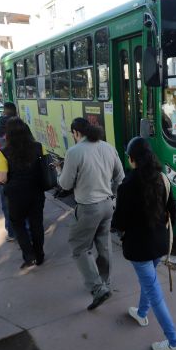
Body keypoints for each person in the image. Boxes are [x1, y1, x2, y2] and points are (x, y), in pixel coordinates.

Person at [111, 137, 176, 350]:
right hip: (159, 243)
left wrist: (116, 225)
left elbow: (120, 222)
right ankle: (142, 313)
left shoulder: (127, 186)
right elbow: (173, 208)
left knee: (155, 293)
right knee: (149, 281)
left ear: (132, 159)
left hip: (139, 248)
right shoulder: (162, 178)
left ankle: (173, 343)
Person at [57, 118, 124, 311]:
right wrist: (112, 196)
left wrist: (61, 171)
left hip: (88, 208)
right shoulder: (108, 147)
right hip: (107, 205)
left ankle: (98, 289)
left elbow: (66, 184)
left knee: (79, 247)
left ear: (76, 133)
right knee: (104, 245)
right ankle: (105, 283)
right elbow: (120, 177)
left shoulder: (74, 152)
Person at [0, 118, 46, 268]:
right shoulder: (38, 147)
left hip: (16, 194)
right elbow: (44, 168)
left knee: (18, 224)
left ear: (8, 134)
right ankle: (40, 255)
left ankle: (28, 255)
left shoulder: (3, 153)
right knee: (37, 224)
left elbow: (2, 178)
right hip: (36, 191)